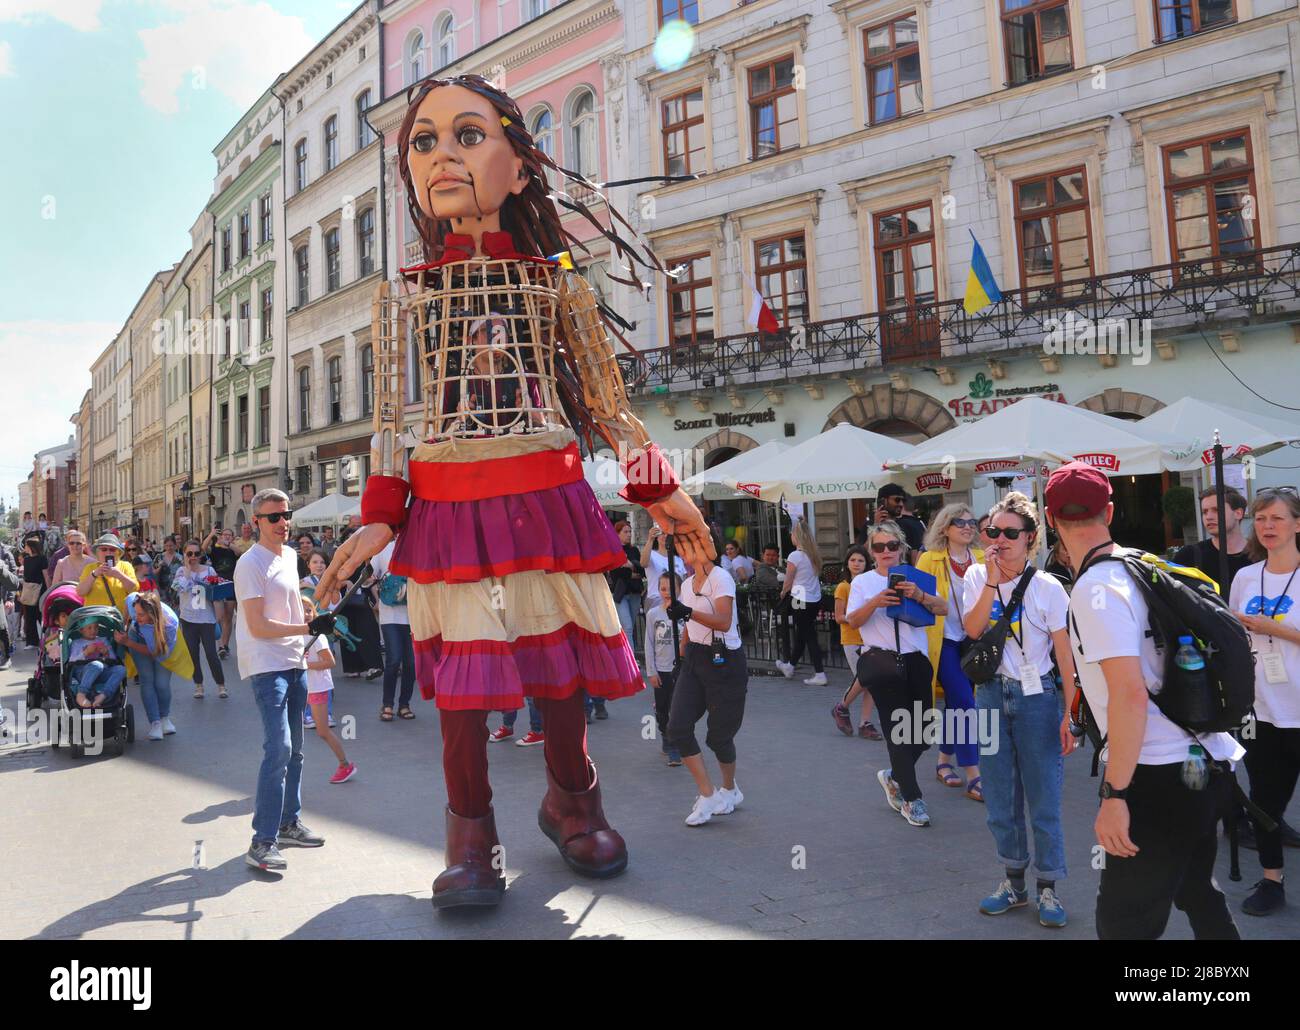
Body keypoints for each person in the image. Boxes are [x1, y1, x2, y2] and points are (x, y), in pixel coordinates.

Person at [313, 72, 715, 909]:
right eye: (423, 142)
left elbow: (605, 403)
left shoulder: (553, 279)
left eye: (467, 134)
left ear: (520, 168)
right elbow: (393, 418)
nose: (442, 156)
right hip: (451, 505)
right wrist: (379, 518)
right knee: (463, 692)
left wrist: (661, 491)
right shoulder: (407, 293)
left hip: (548, 492)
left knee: (561, 672)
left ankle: (572, 798)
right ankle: (471, 832)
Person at [1047, 461, 1243, 940]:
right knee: (1198, 891)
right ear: (1109, 511)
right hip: (1207, 761)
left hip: (1156, 776)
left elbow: (1129, 696)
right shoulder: (1145, 566)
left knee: (1124, 924)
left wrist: (1115, 796)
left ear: (1051, 520)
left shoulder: (1095, 588)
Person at [962, 492, 1076, 928]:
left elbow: (1065, 656)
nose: (1000, 539)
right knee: (999, 795)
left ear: (1030, 538)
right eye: (993, 531)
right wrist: (990, 581)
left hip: (1037, 697)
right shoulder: (977, 576)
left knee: (1043, 796)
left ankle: (1048, 886)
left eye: (1011, 532)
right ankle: (1013, 881)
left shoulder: (1048, 586)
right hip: (990, 693)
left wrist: (1071, 713)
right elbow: (973, 630)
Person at [236, 489, 332, 872]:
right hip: (266, 665)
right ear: (256, 521)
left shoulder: (291, 556)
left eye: (286, 514)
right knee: (279, 749)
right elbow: (258, 626)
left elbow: (291, 607)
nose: (282, 522)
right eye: (273, 517)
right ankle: (262, 841)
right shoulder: (249, 563)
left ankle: (289, 823)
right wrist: (308, 625)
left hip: (294, 661)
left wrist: (311, 615)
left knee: (295, 750)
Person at [1229, 487, 1300, 917]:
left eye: (1276, 518)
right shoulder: (1244, 577)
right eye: (1260, 518)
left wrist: (1273, 629)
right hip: (1262, 710)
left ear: (1297, 523)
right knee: (1265, 804)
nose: (1267, 526)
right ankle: (1272, 880)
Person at [846, 520, 946, 827]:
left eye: (892, 545)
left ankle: (894, 775)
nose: (886, 551)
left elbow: (943, 608)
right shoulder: (862, 583)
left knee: (925, 731)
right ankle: (912, 798)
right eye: (879, 547)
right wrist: (876, 602)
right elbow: (852, 621)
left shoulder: (918, 578)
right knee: (898, 732)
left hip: (917, 660)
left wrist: (919, 596)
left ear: (901, 547)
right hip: (882, 663)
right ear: (871, 550)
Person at [664, 527, 747, 824]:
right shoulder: (686, 584)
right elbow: (688, 625)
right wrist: (682, 655)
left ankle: (730, 789)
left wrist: (688, 612)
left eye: (690, 546)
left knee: (719, 736)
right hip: (695, 659)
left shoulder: (721, 578)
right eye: (683, 548)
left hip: (725, 660)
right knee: (678, 727)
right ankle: (708, 794)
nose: (686, 553)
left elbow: (723, 621)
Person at [915, 504, 984, 798]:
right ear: (945, 527)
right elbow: (916, 601)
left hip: (975, 641)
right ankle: (974, 773)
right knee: (967, 704)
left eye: (971, 522)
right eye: (959, 522)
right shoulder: (929, 560)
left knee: (958, 705)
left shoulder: (981, 558)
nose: (967, 526)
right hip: (943, 642)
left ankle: (944, 762)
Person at [301, 595, 357, 784]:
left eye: (309, 610)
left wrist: (305, 665)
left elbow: (330, 662)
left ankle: (345, 764)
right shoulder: (294, 635)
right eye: (301, 610)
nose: (306, 613)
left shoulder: (318, 638)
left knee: (323, 731)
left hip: (317, 688)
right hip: (301, 687)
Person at [830, 546, 881, 740]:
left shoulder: (869, 585)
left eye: (860, 560)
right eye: (853, 560)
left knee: (871, 682)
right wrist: (857, 617)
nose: (857, 564)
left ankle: (864, 722)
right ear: (847, 563)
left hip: (870, 638)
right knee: (864, 679)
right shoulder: (844, 587)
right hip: (852, 638)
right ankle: (842, 707)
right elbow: (839, 616)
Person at [114, 591, 179, 741]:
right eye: (135, 613)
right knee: (147, 679)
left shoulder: (170, 624)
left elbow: (156, 652)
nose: (137, 617)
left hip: (160, 645)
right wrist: (125, 624)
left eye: (141, 614)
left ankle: (164, 718)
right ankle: (155, 722)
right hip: (136, 638)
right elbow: (129, 598)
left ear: (152, 614)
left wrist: (127, 643)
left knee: (162, 683)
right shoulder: (136, 609)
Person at [173, 540, 228, 700]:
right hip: (188, 618)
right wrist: (189, 570)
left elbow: (217, 593)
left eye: (196, 553)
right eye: (189, 554)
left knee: (211, 654)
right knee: (193, 654)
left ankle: (221, 685)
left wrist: (219, 615)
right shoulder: (181, 572)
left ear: (201, 555)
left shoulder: (209, 571)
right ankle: (199, 685)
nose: (193, 557)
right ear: (184, 555)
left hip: (206, 618)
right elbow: (179, 588)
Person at [775, 518, 826, 685]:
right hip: (814, 597)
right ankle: (790, 665)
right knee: (803, 633)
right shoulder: (814, 555)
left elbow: (789, 580)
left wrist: (783, 593)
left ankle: (819, 673)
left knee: (807, 634)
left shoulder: (794, 556)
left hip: (799, 597)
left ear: (796, 536)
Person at [371, 539, 416, 721]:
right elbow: (370, 575)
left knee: (411, 663)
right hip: (389, 615)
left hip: (414, 614)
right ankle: (387, 704)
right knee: (394, 659)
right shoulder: (382, 547)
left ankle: (404, 704)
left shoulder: (417, 545)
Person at [1174, 487, 1252, 592]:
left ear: (1238, 513)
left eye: (1216, 510)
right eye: (1204, 512)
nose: (1208, 517)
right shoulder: (1189, 556)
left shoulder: (1261, 555)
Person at [645, 571, 685, 765]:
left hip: (682, 670)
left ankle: (674, 745)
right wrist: (651, 671)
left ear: (680, 589)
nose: (666, 592)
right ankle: (665, 736)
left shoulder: (686, 612)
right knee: (662, 709)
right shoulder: (653, 614)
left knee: (678, 709)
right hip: (661, 670)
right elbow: (649, 644)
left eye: (671, 589)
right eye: (662, 588)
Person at [76, 534, 138, 619]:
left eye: (112, 549)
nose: (108, 552)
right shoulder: (90, 568)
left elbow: (134, 589)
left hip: (118, 620)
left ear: (118, 552)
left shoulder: (126, 566)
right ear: (97, 552)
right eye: (104, 549)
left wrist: (119, 575)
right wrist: (95, 574)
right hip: (94, 621)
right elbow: (80, 592)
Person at [201, 526, 239, 659]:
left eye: (229, 535)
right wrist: (211, 535)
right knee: (219, 617)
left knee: (228, 617)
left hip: (231, 585)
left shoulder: (234, 550)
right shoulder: (216, 550)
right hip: (217, 585)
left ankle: (224, 646)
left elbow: (240, 553)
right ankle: (220, 644)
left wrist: (230, 545)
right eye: (225, 535)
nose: (227, 537)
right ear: (221, 536)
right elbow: (203, 549)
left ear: (232, 537)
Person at [69, 622, 125, 708]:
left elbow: (114, 659)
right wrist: (86, 652)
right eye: (89, 628)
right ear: (81, 630)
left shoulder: (103, 640)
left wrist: (106, 653)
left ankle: (103, 695)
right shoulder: (76, 643)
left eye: (96, 627)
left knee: (121, 669)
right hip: (83, 673)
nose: (93, 630)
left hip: (102, 673)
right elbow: (71, 660)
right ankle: (81, 694)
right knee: (97, 665)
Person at [861, 484, 925, 555]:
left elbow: (915, 558)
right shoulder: (869, 525)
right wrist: (875, 527)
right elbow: (862, 554)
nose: (901, 504)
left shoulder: (908, 526)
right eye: (897, 500)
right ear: (883, 501)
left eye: (903, 501)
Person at [607, 520, 644, 641]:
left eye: (630, 531)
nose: (629, 534)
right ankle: (630, 659)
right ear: (617, 534)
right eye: (625, 532)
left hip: (634, 593)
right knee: (627, 627)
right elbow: (616, 574)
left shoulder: (634, 551)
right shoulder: (613, 551)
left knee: (630, 626)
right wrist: (632, 571)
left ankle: (628, 655)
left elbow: (642, 572)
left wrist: (631, 566)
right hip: (620, 593)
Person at [19, 536, 49, 648]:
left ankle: (47, 639)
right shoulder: (26, 559)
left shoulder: (42, 558)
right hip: (29, 591)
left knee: (42, 616)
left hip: (40, 590)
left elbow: (46, 576)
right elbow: (26, 578)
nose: (25, 547)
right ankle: (32, 641)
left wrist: (49, 591)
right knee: (29, 617)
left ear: (31, 546)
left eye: (26, 545)